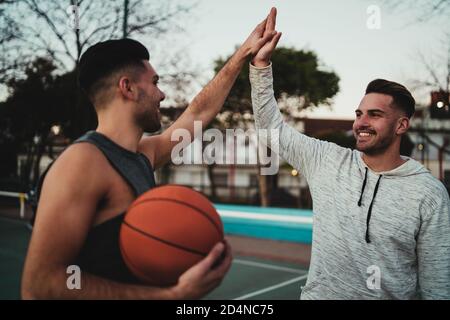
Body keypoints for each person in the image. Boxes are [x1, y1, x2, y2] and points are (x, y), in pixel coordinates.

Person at [21, 9, 278, 299]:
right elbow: (42, 284)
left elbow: (199, 111)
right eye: (155, 82)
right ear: (128, 88)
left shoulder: (143, 154)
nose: (162, 94)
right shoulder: (83, 163)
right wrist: (171, 296)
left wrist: (243, 54)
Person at [249, 8, 450, 299]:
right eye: (359, 113)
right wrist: (261, 64)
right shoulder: (327, 161)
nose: (361, 123)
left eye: (375, 114)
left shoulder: (428, 193)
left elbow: (437, 287)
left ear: (401, 125)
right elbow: (271, 129)